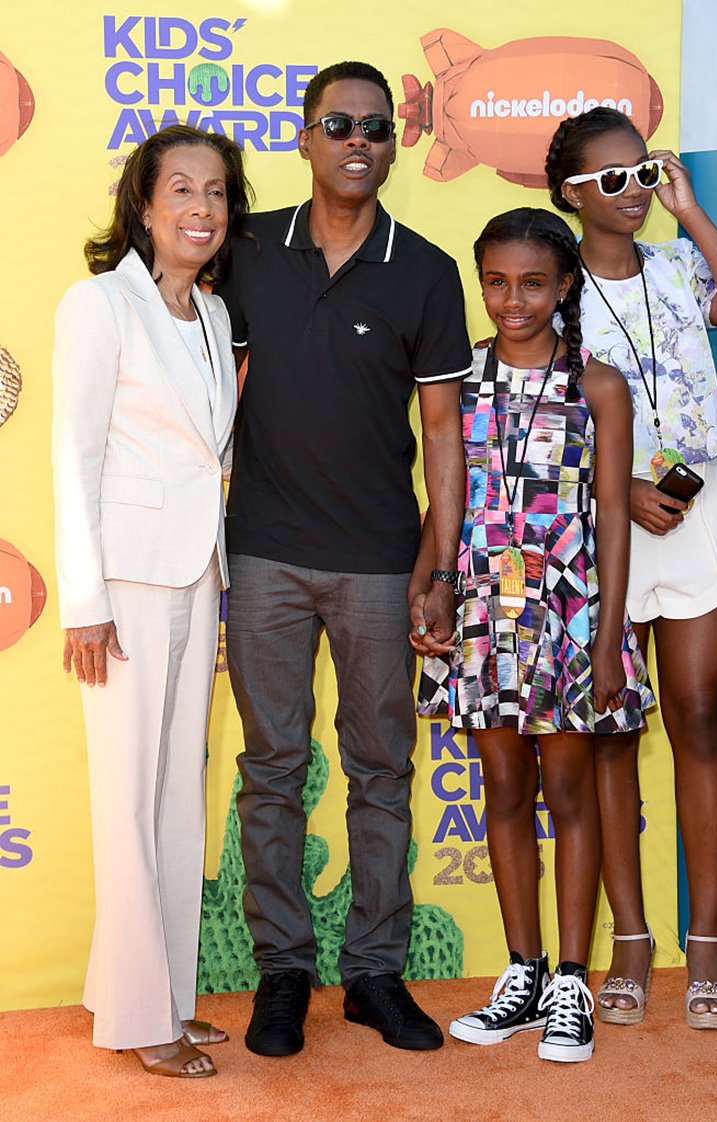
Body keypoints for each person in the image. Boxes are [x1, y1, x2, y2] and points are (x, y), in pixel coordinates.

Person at [218, 61, 471, 1056]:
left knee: (379, 769)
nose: (355, 140)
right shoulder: (245, 253)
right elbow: (209, 403)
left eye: (373, 126)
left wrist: (439, 562)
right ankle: (283, 972)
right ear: (305, 136)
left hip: (377, 559)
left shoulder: (425, 268)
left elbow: (443, 431)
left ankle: (372, 974)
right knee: (271, 769)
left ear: (392, 143)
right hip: (263, 554)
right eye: (336, 123)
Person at [545, 107, 717, 1030]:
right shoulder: (552, 291)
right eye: (610, 180)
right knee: (609, 726)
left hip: (695, 509)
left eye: (642, 172)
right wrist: (620, 491)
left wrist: (691, 211)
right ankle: (631, 942)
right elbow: (547, 418)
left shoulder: (681, 267)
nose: (630, 191)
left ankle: (709, 943)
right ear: (569, 194)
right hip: (602, 517)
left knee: (699, 715)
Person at [410, 207, 653, 1063]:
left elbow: (616, 518)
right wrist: (427, 588)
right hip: (482, 611)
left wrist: (609, 633)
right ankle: (522, 971)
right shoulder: (457, 377)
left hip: (573, 613)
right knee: (503, 788)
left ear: (565, 287)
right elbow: (445, 497)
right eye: (497, 283)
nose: (513, 300)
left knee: (572, 794)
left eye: (534, 283)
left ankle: (573, 986)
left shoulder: (599, 384)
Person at [52, 124, 252, 1077]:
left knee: (178, 796)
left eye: (215, 192)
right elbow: (74, 456)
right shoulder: (98, 306)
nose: (200, 208)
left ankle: (160, 990)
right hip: (125, 582)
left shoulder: (211, 318)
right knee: (130, 798)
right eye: (181, 190)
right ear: (144, 204)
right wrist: (84, 601)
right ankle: (138, 1020)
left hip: (195, 574)